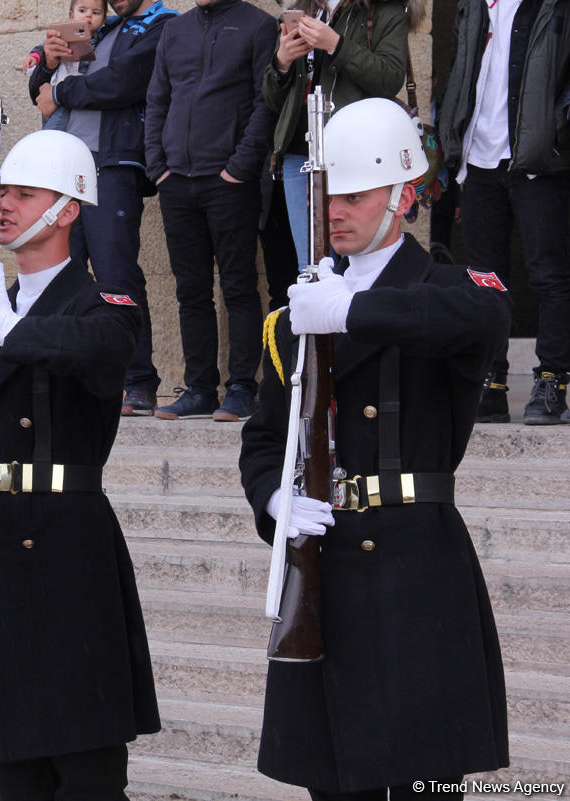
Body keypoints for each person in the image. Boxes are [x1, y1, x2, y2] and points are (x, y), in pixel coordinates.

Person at [239, 98, 510, 800]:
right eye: (330, 194)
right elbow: (264, 440)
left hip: (417, 564)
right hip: (327, 569)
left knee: (427, 781)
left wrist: (353, 310)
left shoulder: (446, 289)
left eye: (355, 195)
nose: (336, 210)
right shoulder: (297, 312)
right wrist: (276, 498)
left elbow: (481, 314)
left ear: (404, 197)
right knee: (335, 780)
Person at [0, 129, 161, 800]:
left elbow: (98, 348)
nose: (5, 204)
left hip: (67, 543)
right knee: (7, 765)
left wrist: (8, 329)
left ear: (67, 210)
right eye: (3, 191)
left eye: (24, 193)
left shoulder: (102, 304)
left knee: (87, 767)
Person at [28, 0, 176, 416]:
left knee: (116, 275)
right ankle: (64, 378)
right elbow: (39, 93)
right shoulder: (103, 28)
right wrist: (46, 65)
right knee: (59, 275)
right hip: (66, 167)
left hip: (113, 165)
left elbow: (121, 83)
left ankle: (139, 381)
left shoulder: (162, 26)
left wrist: (58, 91)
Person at [144, 0, 277, 422]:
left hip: (228, 181)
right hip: (175, 181)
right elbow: (157, 99)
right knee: (191, 291)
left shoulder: (259, 25)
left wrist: (239, 168)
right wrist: (157, 167)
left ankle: (241, 387)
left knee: (238, 286)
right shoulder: (174, 31)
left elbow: (265, 101)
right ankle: (199, 388)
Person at [439, 0, 570, 424]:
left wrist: (558, 134)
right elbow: (461, 75)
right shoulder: (474, 6)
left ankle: (552, 381)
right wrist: (450, 146)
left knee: (549, 275)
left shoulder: (553, 6)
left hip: (537, 158)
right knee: (484, 280)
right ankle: (490, 383)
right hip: (478, 158)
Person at [264, 0, 418, 271]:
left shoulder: (385, 9)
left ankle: (357, 313)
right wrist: (282, 62)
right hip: (300, 153)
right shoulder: (303, 8)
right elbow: (274, 101)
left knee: (358, 263)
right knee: (311, 266)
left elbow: (390, 77)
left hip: (355, 155)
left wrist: (336, 44)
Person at [22, 0, 108, 132]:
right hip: (55, 88)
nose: (88, 16)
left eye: (96, 12)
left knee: (56, 129)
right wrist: (35, 56)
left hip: (73, 93)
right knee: (50, 129)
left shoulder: (101, 39)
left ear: (103, 20)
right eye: (82, 11)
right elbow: (43, 46)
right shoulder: (64, 34)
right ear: (72, 15)